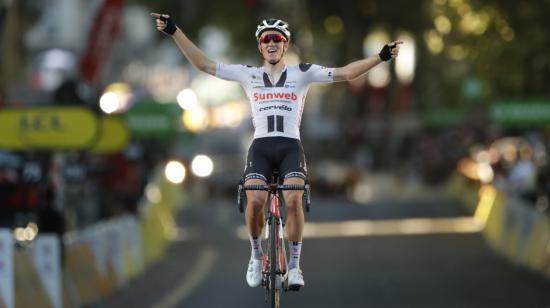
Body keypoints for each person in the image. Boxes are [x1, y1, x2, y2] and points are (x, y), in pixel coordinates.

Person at [150, 13, 401, 289]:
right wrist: (174, 31)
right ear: (260, 46)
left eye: (277, 39)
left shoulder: (302, 73)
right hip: (261, 148)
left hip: (290, 146)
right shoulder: (248, 74)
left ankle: (294, 266)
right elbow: (203, 64)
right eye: (265, 39)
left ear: (285, 45)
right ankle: (256, 257)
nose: (271, 43)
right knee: (254, 199)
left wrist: (381, 56)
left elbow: (346, 72)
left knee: (293, 200)